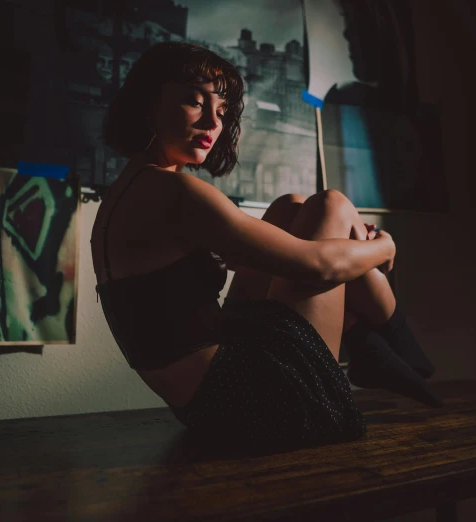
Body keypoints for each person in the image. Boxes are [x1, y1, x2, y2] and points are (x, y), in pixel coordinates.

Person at [92, 42, 440, 454]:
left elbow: (237, 259)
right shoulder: (173, 191)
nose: (212, 121)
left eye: (221, 111)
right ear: (150, 102)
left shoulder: (130, 191)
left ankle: (371, 339)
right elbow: (319, 266)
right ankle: (396, 346)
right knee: (333, 205)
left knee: (290, 207)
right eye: (194, 101)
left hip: (209, 402)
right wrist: (384, 246)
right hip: (259, 402)